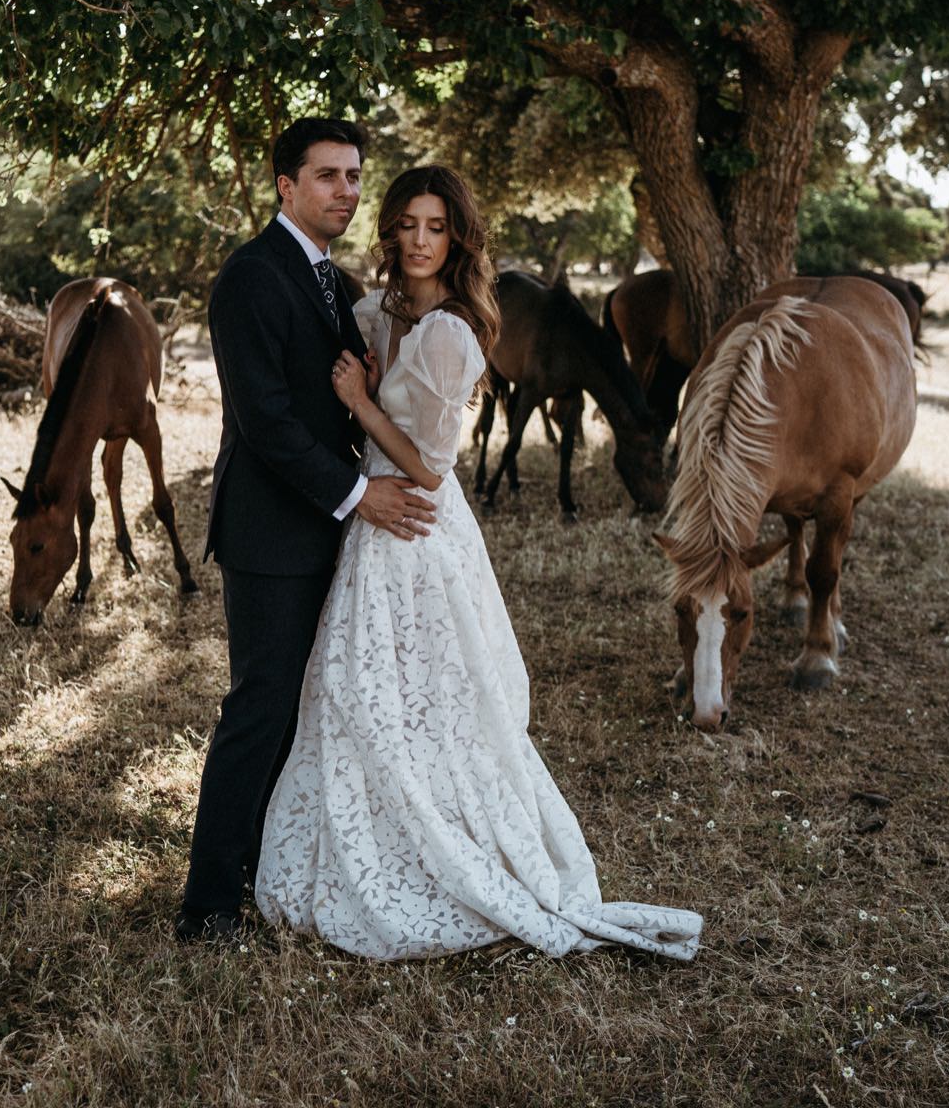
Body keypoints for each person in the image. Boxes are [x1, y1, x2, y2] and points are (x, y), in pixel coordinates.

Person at [254, 164, 703, 960]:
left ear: (456, 238)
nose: (420, 240)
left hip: (416, 522)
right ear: (390, 232)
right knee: (360, 690)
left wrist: (360, 404)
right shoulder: (378, 313)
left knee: (427, 697)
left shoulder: (454, 335)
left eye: (436, 227)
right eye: (407, 225)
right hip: (369, 522)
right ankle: (362, 839)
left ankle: (450, 853)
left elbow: (428, 466)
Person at [177, 119, 436, 943]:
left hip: (328, 532)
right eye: (328, 177)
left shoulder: (333, 280)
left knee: (308, 712)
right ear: (285, 186)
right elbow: (267, 422)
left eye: (355, 177)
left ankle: (271, 869)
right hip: (269, 535)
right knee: (260, 710)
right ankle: (209, 905)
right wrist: (362, 494)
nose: (346, 192)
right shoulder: (250, 277)